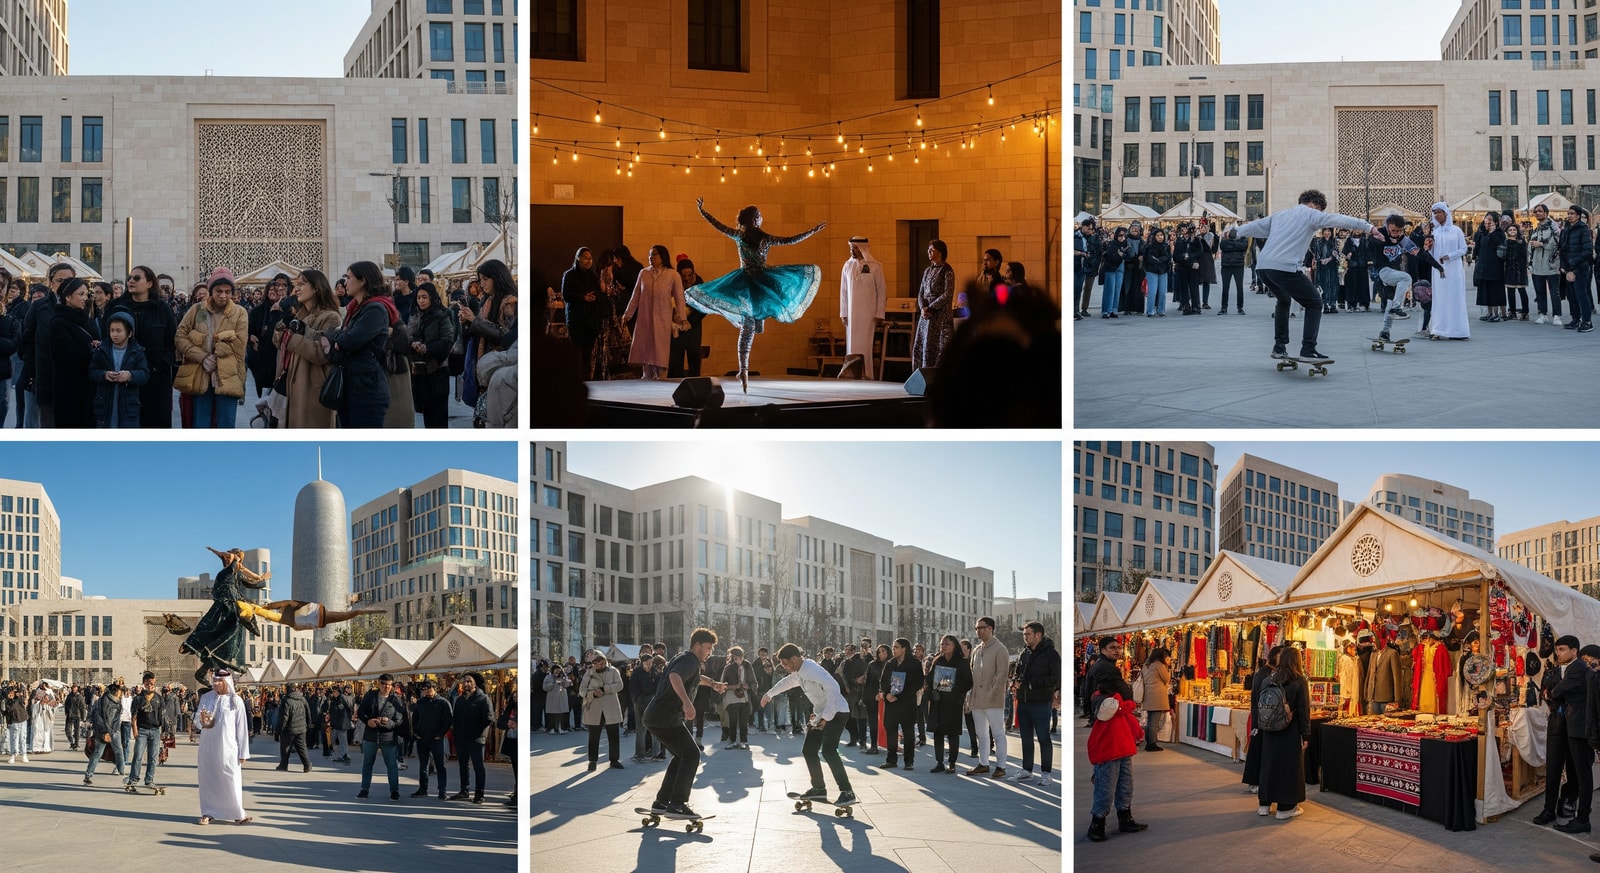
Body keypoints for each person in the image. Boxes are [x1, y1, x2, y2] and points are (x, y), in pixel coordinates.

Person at [690, 200, 827, 391]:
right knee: (753, 324)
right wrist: (812, 231)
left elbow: (718, 225)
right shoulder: (765, 238)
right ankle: (744, 368)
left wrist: (703, 211)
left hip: (745, 282)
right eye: (760, 216)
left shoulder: (739, 235)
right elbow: (790, 240)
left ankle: (743, 369)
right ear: (755, 219)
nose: (762, 218)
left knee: (748, 328)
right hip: (761, 283)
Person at [1234, 189, 1379, 358]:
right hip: (1284, 267)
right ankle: (1308, 349)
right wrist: (1368, 227)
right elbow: (1338, 218)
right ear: (1314, 205)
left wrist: (1234, 232)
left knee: (1283, 300)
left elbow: (1255, 227)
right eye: (1319, 210)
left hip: (1264, 268)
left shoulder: (1280, 215)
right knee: (1315, 303)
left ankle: (1279, 346)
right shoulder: (1311, 214)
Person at [642, 628, 727, 819]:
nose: (709, 652)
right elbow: (675, 677)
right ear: (697, 645)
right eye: (707, 648)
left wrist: (713, 684)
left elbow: (696, 678)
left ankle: (662, 802)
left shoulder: (685, 658)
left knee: (681, 756)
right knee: (692, 755)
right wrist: (687, 704)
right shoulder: (690, 661)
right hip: (665, 717)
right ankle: (677, 804)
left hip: (657, 716)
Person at [763, 642, 857, 806]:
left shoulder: (812, 670)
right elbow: (786, 682)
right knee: (809, 750)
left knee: (828, 750)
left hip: (838, 711)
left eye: (785, 663)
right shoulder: (798, 672)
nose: (784, 667)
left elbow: (833, 688)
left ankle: (847, 791)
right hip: (822, 712)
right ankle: (819, 789)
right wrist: (769, 695)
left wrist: (825, 717)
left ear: (794, 658)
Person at [317, 261, 395, 427]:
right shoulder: (355, 308)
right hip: (350, 388)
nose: (345, 282)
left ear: (363, 280)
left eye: (349, 277)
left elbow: (349, 341)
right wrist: (338, 340)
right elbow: (336, 338)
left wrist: (339, 340)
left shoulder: (375, 309)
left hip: (367, 390)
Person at [178, 547, 268, 685]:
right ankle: (192, 645)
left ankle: (203, 671)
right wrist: (218, 552)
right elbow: (230, 558)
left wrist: (261, 578)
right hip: (224, 606)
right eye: (236, 559)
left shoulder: (236, 573)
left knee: (228, 638)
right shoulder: (227, 571)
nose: (236, 561)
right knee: (212, 629)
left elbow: (253, 582)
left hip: (233, 607)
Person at [175, 273, 248, 428]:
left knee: (226, 424)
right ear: (211, 291)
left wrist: (216, 352)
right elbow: (180, 337)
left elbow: (240, 345)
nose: (223, 296)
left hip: (229, 375)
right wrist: (202, 357)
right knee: (200, 423)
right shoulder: (197, 310)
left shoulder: (240, 312)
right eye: (219, 291)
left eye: (228, 292)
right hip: (201, 374)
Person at [106, 265, 176, 428]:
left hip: (156, 378)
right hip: (124, 377)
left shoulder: (162, 309)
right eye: (129, 278)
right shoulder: (116, 306)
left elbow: (171, 341)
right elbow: (107, 338)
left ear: (150, 283)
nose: (131, 281)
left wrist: (162, 365)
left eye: (137, 278)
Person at [1535, 635, 1593, 832]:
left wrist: (1553, 692)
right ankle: (1549, 810)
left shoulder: (1578, 668)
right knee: (1553, 770)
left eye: (1562, 649)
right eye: (1557, 650)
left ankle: (1577, 814)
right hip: (1559, 725)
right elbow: (1545, 693)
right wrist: (1551, 693)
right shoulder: (1554, 670)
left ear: (1574, 651)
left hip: (1575, 728)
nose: (1558, 653)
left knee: (1577, 772)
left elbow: (1555, 691)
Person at [274, 269, 342, 428]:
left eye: (302, 284)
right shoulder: (300, 315)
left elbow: (323, 353)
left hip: (313, 390)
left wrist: (293, 338)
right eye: (296, 284)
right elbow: (278, 343)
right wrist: (282, 325)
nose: (296, 288)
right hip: (294, 386)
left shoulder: (331, 317)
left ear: (316, 287)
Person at [1085, 670, 1145, 843]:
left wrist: (1138, 733)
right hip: (1108, 750)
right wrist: (1128, 703)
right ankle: (1097, 822)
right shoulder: (1103, 699)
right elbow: (1110, 710)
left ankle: (1125, 816)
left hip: (1123, 748)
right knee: (1106, 788)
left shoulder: (1116, 701)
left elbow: (1128, 718)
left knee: (1125, 785)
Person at [1257, 645, 1312, 821]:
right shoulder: (1298, 680)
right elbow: (1304, 710)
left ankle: (1264, 804)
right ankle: (1285, 807)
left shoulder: (1269, 679)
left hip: (1268, 730)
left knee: (1268, 766)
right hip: (1289, 731)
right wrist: (1306, 734)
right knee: (1288, 768)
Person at [622, 245, 686, 382]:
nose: (651, 257)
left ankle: (661, 377)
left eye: (654, 255)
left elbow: (680, 298)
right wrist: (627, 314)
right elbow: (635, 296)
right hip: (645, 318)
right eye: (650, 255)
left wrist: (682, 318)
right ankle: (646, 377)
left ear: (663, 256)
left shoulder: (672, 275)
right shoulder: (643, 273)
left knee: (660, 349)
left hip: (662, 318)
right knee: (645, 347)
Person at [195, 670, 252, 825]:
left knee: (231, 779)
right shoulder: (206, 698)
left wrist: (243, 752)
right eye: (214, 680)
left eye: (219, 681)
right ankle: (207, 812)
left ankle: (237, 813)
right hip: (208, 748)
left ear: (227, 682)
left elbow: (242, 727)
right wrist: (201, 720)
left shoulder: (236, 700)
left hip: (229, 749)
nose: (215, 684)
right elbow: (197, 722)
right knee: (209, 780)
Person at [47, 277, 100, 428]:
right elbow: (69, 355)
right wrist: (91, 348)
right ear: (68, 297)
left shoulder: (85, 318)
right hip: (68, 387)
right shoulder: (58, 322)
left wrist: (95, 345)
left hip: (88, 385)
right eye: (80, 294)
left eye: (86, 294)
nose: (85, 298)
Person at [407, 282, 456, 428]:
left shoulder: (442, 316)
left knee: (439, 414)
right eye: (419, 297)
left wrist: (427, 348)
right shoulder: (416, 315)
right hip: (420, 371)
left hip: (438, 369)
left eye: (424, 297)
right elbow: (408, 336)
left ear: (432, 298)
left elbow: (447, 341)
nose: (421, 301)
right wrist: (413, 344)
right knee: (427, 411)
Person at [966, 616, 1010, 778]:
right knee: (981, 734)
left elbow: (1002, 674)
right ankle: (983, 763)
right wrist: (970, 696)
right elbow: (972, 674)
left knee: (998, 733)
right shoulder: (977, 650)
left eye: (981, 628)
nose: (978, 631)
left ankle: (1001, 766)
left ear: (990, 628)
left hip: (993, 700)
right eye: (976, 628)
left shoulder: (1000, 649)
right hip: (977, 699)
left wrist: (992, 693)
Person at [90, 311, 149, 429]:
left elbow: (145, 374)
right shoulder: (102, 350)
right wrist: (104, 375)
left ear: (130, 333)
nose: (114, 334)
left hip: (128, 406)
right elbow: (92, 371)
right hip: (105, 403)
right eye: (112, 330)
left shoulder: (137, 352)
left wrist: (130, 375)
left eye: (119, 330)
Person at [924, 634, 972, 774]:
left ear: (954, 646)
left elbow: (968, 682)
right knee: (938, 733)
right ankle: (939, 762)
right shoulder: (937, 661)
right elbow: (929, 677)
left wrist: (955, 690)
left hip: (953, 703)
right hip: (938, 701)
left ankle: (952, 762)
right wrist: (932, 683)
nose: (943, 646)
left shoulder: (962, 662)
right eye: (941, 644)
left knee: (952, 734)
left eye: (946, 644)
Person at [839, 237, 886, 377]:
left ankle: (867, 374)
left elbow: (881, 290)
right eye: (851, 248)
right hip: (852, 314)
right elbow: (843, 291)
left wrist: (879, 313)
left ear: (862, 248)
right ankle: (852, 373)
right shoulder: (847, 266)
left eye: (855, 248)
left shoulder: (875, 267)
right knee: (852, 344)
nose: (852, 251)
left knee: (866, 345)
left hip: (868, 313)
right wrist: (844, 312)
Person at [356, 673, 407, 801]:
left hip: (388, 737)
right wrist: (368, 721)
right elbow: (361, 712)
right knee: (367, 763)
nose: (386, 687)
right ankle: (364, 789)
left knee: (391, 765)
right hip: (371, 736)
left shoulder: (396, 699)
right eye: (383, 684)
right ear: (379, 683)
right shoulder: (370, 696)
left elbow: (400, 719)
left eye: (389, 685)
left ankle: (394, 791)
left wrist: (390, 723)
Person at [875, 637, 924, 770]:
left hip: (907, 703)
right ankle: (891, 759)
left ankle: (909, 761)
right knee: (891, 730)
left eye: (897, 647)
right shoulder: (890, 663)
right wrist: (887, 694)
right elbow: (883, 681)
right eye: (893, 647)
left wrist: (899, 696)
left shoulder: (914, 664)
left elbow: (917, 683)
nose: (894, 649)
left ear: (904, 649)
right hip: (891, 703)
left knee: (908, 733)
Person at [1425, 202, 1471, 339]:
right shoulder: (1435, 232)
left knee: (1455, 298)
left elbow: (1463, 249)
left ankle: (1457, 331)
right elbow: (1430, 252)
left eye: (1439, 212)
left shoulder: (1456, 230)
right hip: (1438, 270)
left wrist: (1449, 256)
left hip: (1454, 269)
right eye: (1435, 213)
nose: (1437, 215)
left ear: (1446, 213)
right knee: (1440, 299)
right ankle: (1438, 330)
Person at [912, 239, 955, 370]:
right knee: (922, 346)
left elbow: (947, 294)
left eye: (932, 249)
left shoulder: (947, 270)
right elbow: (921, 292)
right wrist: (923, 307)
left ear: (940, 252)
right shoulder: (927, 271)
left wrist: (931, 307)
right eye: (928, 249)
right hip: (926, 317)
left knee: (938, 349)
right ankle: (919, 378)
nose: (929, 252)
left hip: (939, 317)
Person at [451, 672, 494, 802]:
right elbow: (456, 719)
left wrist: (477, 731)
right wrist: (457, 735)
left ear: (475, 683)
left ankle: (479, 794)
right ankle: (464, 790)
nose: (467, 683)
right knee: (463, 765)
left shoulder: (483, 698)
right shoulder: (459, 700)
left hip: (476, 738)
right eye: (464, 681)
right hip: (462, 739)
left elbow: (489, 718)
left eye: (469, 681)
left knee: (478, 766)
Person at [125, 672, 171, 790]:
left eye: (153, 683)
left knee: (153, 757)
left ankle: (149, 780)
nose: (151, 685)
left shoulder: (159, 699)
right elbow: (134, 716)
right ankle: (133, 779)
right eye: (148, 683)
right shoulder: (138, 699)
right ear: (144, 683)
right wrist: (135, 730)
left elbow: (163, 716)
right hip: (142, 730)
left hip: (155, 730)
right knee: (138, 756)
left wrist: (165, 731)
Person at [580, 654, 626, 771]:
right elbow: (581, 691)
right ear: (593, 663)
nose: (600, 665)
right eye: (597, 663)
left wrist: (605, 689)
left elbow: (620, 685)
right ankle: (592, 761)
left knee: (614, 735)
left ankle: (614, 760)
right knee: (594, 736)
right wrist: (593, 694)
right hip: (594, 708)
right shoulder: (588, 673)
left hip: (611, 707)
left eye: (602, 663)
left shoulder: (613, 671)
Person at [561, 247, 602, 378]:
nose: (588, 261)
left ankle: (586, 380)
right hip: (576, 320)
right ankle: (574, 380)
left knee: (588, 354)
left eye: (590, 258)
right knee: (576, 352)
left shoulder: (593, 276)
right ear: (578, 258)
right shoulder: (569, 275)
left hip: (591, 320)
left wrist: (594, 297)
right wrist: (582, 297)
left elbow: (600, 294)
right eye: (585, 257)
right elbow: (566, 295)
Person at [1559, 205, 1595, 333]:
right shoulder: (1566, 230)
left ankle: (1587, 321)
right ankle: (1575, 319)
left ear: (1578, 216)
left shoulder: (1583, 229)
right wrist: (1565, 267)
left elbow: (1587, 251)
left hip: (1581, 268)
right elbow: (1562, 250)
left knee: (1581, 294)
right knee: (1571, 296)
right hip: (1568, 268)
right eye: (1568, 213)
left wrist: (1573, 265)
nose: (1569, 216)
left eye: (1572, 213)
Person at [669, 256, 707, 378]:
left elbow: (704, 306)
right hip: (676, 326)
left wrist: (690, 321)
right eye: (683, 275)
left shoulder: (699, 284)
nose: (686, 278)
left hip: (693, 326)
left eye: (689, 275)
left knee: (694, 359)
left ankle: (695, 386)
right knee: (675, 361)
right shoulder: (673, 282)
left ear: (693, 273)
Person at [1529, 203, 1564, 324]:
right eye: (1535, 211)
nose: (1537, 213)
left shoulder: (1554, 228)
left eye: (1539, 211)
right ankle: (1542, 313)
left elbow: (1558, 244)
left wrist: (1542, 244)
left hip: (1551, 265)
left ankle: (1557, 315)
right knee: (1540, 292)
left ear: (1546, 213)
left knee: (1554, 292)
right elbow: (1530, 246)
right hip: (1537, 266)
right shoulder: (1536, 228)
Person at [1473, 212, 1508, 323]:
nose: (1487, 222)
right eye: (1486, 219)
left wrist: (1492, 232)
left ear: (1495, 222)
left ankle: (1497, 313)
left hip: (1495, 266)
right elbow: (1477, 246)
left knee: (1495, 290)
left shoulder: (1499, 233)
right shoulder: (1481, 232)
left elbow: (1498, 244)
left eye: (1490, 220)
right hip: (1483, 265)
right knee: (1486, 290)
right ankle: (1489, 312)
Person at [719, 646, 755, 750]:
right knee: (733, 720)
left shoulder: (747, 665)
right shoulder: (728, 667)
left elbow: (753, 681)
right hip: (731, 697)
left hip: (744, 697)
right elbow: (722, 684)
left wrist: (748, 686)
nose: (736, 659)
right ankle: (733, 741)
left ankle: (743, 741)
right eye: (733, 657)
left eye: (738, 656)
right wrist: (733, 686)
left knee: (744, 721)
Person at [1139, 646, 1172, 753]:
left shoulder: (1146, 665)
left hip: (1148, 694)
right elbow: (1166, 678)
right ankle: (1151, 744)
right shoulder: (1159, 665)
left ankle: (1148, 740)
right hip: (1157, 695)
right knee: (1155, 721)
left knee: (1149, 720)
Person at [274, 682, 311, 773]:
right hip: (301, 727)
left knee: (285, 748)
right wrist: (308, 723)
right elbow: (308, 711)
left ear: (288, 690)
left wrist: (279, 730)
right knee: (301, 747)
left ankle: (283, 765)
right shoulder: (302, 699)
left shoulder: (286, 700)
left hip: (289, 729)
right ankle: (307, 765)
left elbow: (284, 717)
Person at [1503, 221, 1530, 321]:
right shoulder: (1505, 242)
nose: (1512, 231)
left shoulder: (1522, 241)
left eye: (1514, 229)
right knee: (1510, 291)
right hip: (1509, 269)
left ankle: (1525, 312)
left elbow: (1524, 254)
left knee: (1522, 291)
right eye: (1510, 230)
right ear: (1507, 232)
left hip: (1520, 269)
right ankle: (1512, 311)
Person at [1218, 228, 1248, 314]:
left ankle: (1224, 308)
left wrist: (1232, 244)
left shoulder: (1225, 242)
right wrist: (1236, 245)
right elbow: (1242, 246)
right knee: (1239, 288)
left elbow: (1243, 246)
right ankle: (1240, 308)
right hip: (1237, 266)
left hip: (1227, 266)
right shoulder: (1238, 242)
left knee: (1225, 288)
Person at [543, 660, 572, 733]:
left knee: (561, 714)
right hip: (553, 698)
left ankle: (560, 728)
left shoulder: (563, 676)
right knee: (553, 714)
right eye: (556, 670)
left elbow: (568, 684)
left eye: (559, 670)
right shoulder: (549, 677)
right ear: (553, 670)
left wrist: (565, 682)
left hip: (562, 697)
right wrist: (553, 683)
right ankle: (552, 728)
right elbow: (545, 687)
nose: (557, 672)